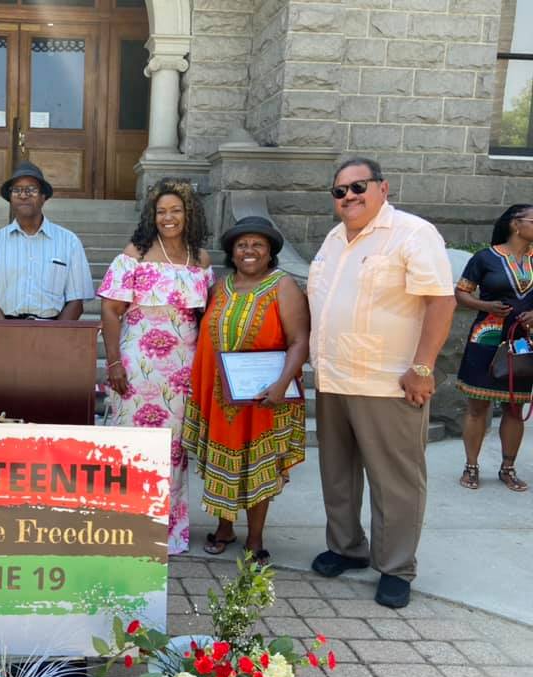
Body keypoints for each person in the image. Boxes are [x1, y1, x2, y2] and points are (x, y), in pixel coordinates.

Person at [307, 157, 456, 608]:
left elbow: (441, 303)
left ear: (383, 188)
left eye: (358, 187)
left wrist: (424, 367)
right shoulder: (334, 240)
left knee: (395, 481)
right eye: (340, 191)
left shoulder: (413, 233)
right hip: (333, 377)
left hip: (388, 381)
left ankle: (395, 567)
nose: (349, 196)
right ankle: (347, 547)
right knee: (337, 473)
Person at [98, 178, 215, 555]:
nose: (168, 217)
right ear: (152, 216)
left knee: (173, 448)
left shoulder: (201, 259)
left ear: (189, 214)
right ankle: (121, 524)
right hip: (136, 362)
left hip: (181, 369)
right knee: (129, 441)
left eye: (176, 210)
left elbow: (203, 317)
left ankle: (166, 528)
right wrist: (114, 361)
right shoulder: (136, 252)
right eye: (161, 211)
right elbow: (111, 309)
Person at [183, 216, 309, 563]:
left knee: (257, 465)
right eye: (242, 245)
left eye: (258, 245)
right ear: (231, 253)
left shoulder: (282, 285)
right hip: (221, 395)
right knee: (222, 461)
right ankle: (224, 528)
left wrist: (282, 383)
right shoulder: (219, 287)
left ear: (270, 253)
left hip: (266, 397)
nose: (249, 251)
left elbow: (300, 340)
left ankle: (255, 538)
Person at [454, 204, 533, 492]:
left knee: (515, 406)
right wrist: (485, 305)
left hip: (523, 342)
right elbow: (461, 292)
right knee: (477, 406)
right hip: (486, 337)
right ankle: (471, 466)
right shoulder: (485, 258)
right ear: (516, 224)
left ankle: (508, 468)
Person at [0, 161, 93, 320]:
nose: (23, 195)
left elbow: (76, 301)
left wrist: (53, 337)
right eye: (17, 190)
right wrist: (4, 335)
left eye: (31, 190)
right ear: (10, 198)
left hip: (53, 331)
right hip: (6, 330)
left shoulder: (69, 242)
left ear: (43, 197)